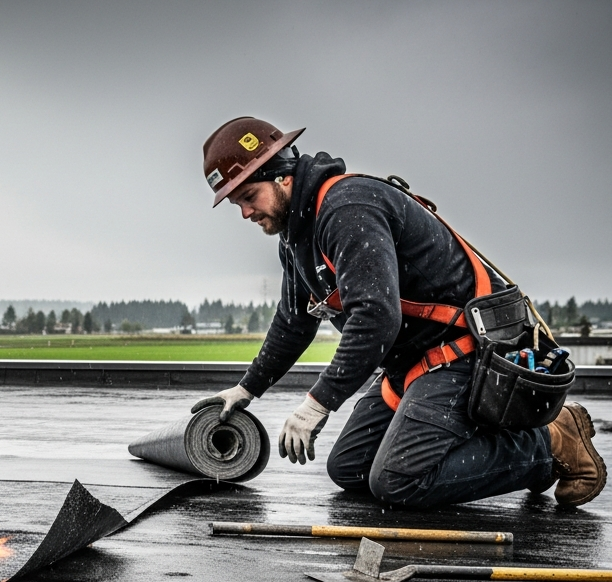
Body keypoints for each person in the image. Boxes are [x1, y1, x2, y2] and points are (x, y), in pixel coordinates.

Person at [193, 116, 605, 508]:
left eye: (249, 196)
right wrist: (247, 390)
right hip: (411, 363)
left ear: (282, 174)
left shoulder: (346, 209)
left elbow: (375, 318)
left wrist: (317, 404)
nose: (245, 212)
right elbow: (294, 320)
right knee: (349, 470)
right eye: (236, 203)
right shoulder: (297, 236)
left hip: (465, 352)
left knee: (399, 481)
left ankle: (551, 441)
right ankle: (492, 445)